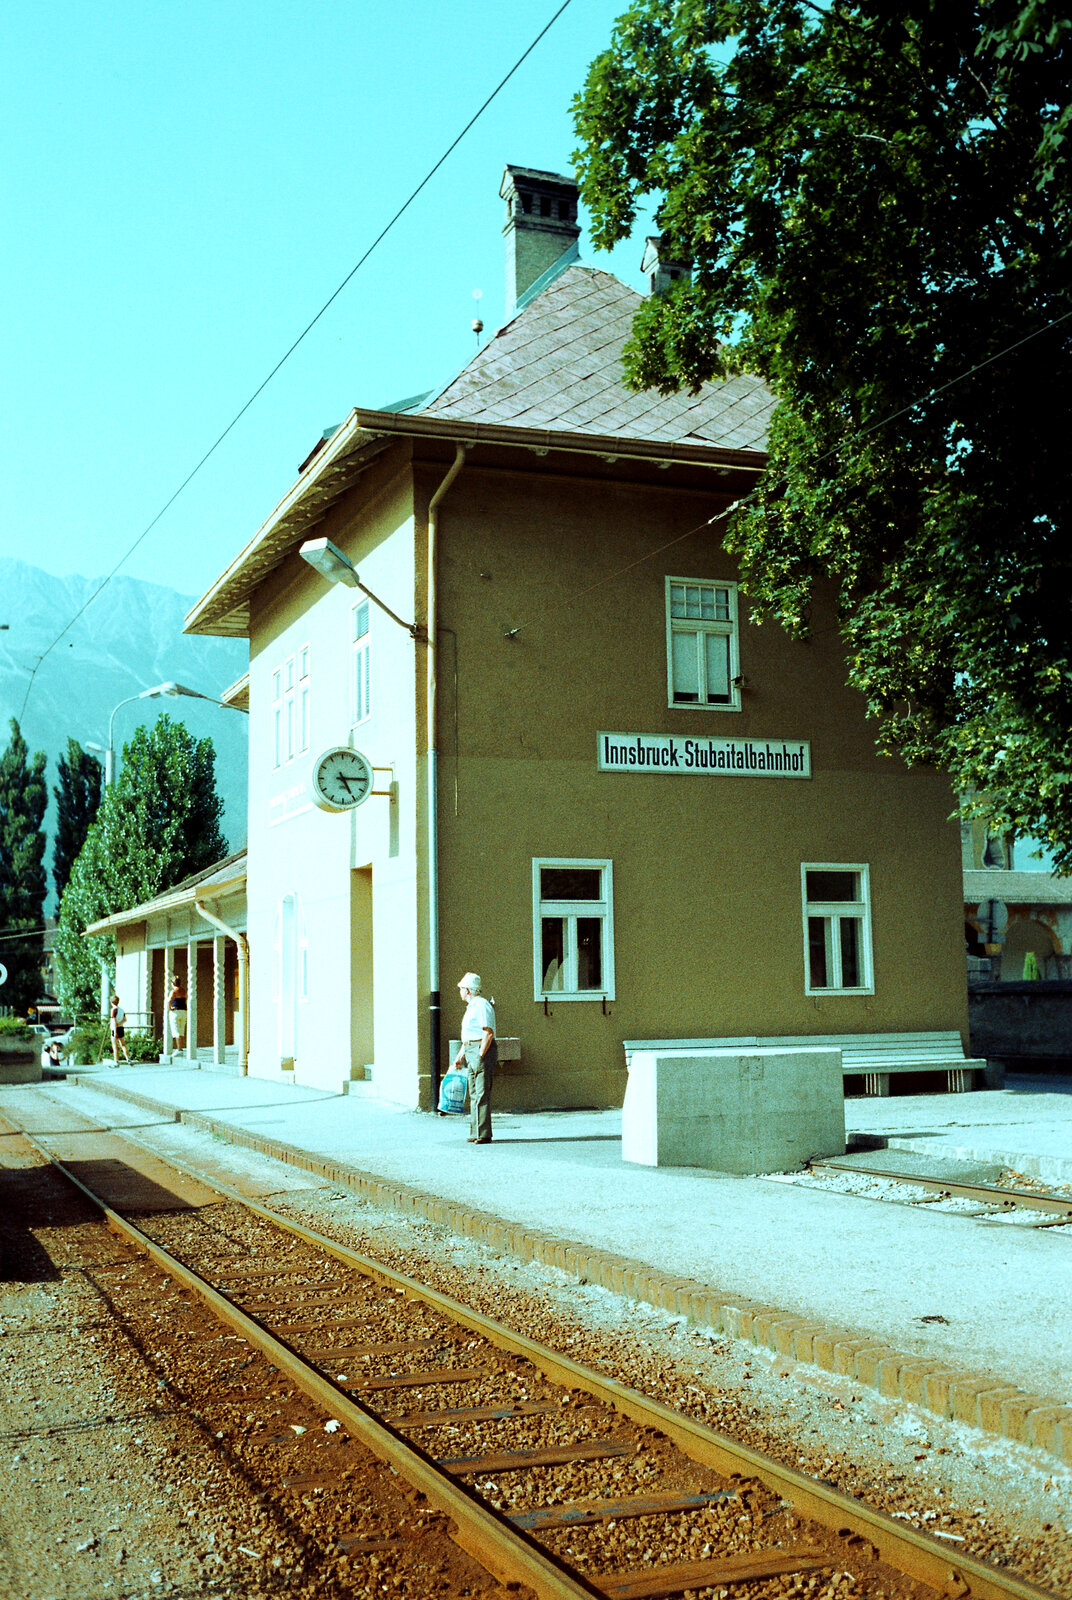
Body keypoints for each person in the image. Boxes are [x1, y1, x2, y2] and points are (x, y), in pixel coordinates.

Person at [452, 972, 497, 1144]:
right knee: (474, 1092)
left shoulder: (482, 1005)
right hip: (471, 1049)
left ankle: (483, 1133)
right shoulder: (472, 1007)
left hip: (480, 1050)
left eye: (462, 988)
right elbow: (469, 1037)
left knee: (481, 1092)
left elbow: (488, 1032)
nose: (460, 991)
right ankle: (476, 1130)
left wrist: (480, 1055)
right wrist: (460, 1056)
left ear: (468, 990)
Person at [168, 976, 187, 1052]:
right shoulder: (183, 990)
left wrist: (170, 1008)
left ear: (173, 983)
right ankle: (180, 1047)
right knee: (181, 1030)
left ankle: (179, 1049)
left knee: (176, 1031)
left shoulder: (173, 991)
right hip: (183, 1011)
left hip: (175, 1011)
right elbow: (186, 998)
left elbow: (169, 1000)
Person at [110, 994, 130, 1064]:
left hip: (114, 1029)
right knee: (123, 1044)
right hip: (121, 1028)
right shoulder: (121, 1010)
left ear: (111, 1002)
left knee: (115, 1046)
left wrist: (115, 1031)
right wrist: (120, 1023)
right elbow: (125, 1019)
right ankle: (128, 1059)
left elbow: (114, 1021)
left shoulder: (113, 1010)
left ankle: (116, 1061)